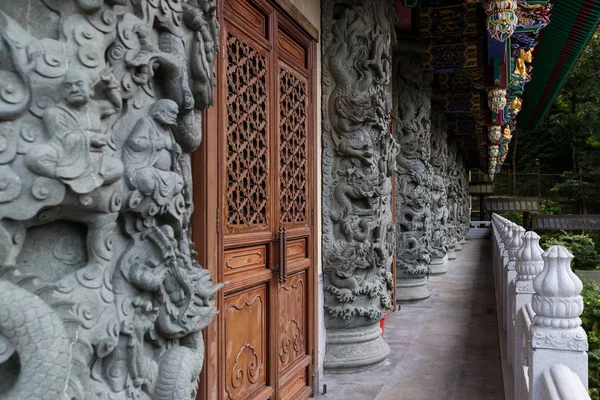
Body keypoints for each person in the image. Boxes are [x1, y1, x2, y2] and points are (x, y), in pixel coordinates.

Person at [27, 68, 124, 194]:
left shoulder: (96, 107)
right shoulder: (54, 112)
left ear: (90, 89)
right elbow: (61, 139)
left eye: (79, 84)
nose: (74, 89)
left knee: (118, 168)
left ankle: (76, 179)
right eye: (68, 86)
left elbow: (116, 106)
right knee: (36, 156)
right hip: (64, 157)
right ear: (63, 92)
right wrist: (90, 138)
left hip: (93, 158)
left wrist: (110, 87)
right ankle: (70, 179)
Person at [122, 99, 184, 208]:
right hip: (145, 168)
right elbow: (134, 142)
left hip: (164, 175)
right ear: (162, 111)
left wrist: (175, 151)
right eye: (172, 112)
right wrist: (158, 143)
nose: (175, 116)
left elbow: (170, 149)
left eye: (176, 114)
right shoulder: (146, 122)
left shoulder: (167, 130)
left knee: (179, 183)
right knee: (146, 181)